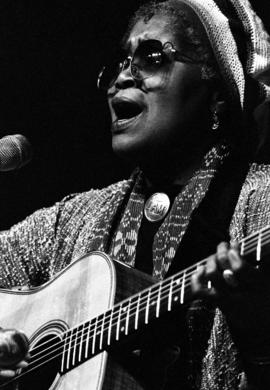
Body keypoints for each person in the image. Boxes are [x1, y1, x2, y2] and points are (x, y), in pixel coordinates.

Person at [0, 0, 270, 388]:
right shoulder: (74, 218)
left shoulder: (261, 203)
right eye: (120, 63)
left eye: (153, 56)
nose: (122, 78)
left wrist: (261, 340)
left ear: (218, 91)